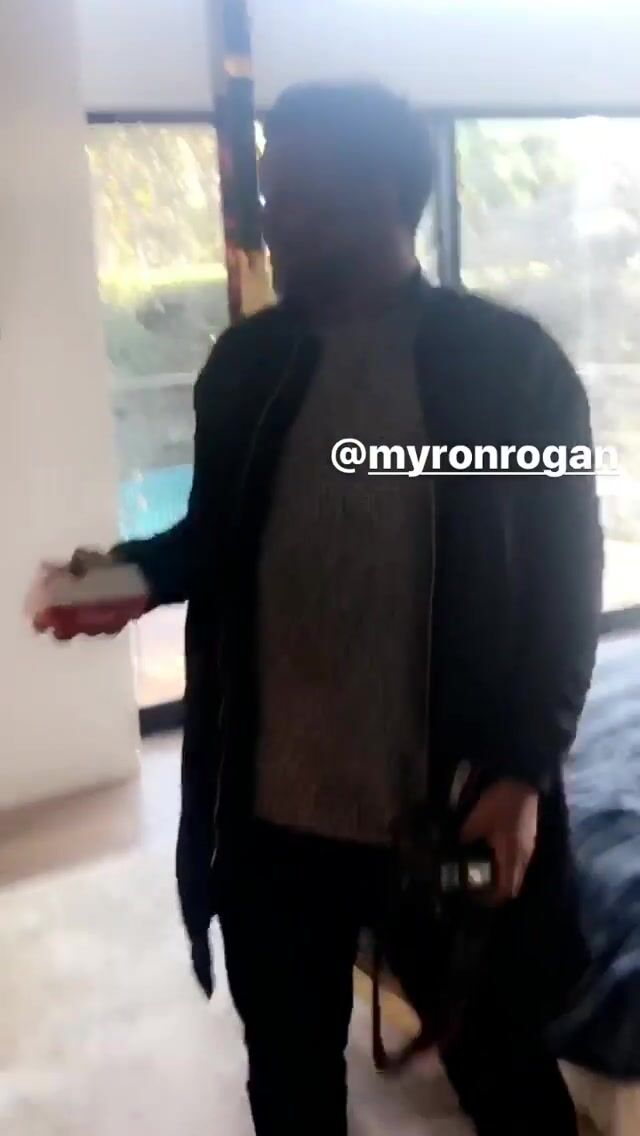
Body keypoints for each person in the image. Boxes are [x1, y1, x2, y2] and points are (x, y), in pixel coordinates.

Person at [54, 84, 602, 1134]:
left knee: (503, 1073)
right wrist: (124, 579)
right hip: (270, 824)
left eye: (302, 193)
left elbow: (566, 582)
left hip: (446, 806)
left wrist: (524, 769)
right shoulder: (247, 365)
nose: (274, 217)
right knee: (289, 1084)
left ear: (386, 194)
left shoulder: (508, 366)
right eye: (272, 191)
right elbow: (216, 537)